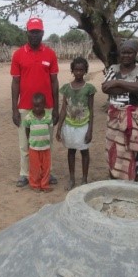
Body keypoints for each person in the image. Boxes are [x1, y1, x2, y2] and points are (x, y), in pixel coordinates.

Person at [11, 17, 59, 188]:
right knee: (25, 143)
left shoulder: (50, 54)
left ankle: (47, 172)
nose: (35, 35)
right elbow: (15, 82)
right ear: (27, 33)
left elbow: (54, 81)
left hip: (47, 108)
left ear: (42, 33)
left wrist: (56, 108)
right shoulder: (18, 54)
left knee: (47, 142)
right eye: (32, 32)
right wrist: (15, 110)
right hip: (25, 107)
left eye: (38, 32)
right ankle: (25, 174)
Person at [101, 39, 138, 182]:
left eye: (130, 53)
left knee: (134, 152)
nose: (126, 56)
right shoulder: (113, 69)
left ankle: (133, 181)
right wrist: (131, 86)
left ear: (135, 54)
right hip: (115, 118)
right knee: (115, 150)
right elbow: (105, 88)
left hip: (136, 118)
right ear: (119, 54)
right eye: (123, 52)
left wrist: (117, 83)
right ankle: (115, 179)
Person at [56, 57, 96, 190]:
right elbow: (63, 109)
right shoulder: (66, 88)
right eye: (76, 70)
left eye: (81, 70)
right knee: (71, 151)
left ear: (85, 71)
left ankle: (84, 179)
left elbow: (91, 109)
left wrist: (90, 129)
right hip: (70, 125)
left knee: (84, 152)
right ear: (72, 71)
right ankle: (72, 178)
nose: (79, 73)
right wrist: (59, 127)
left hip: (83, 125)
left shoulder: (89, 89)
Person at [23, 93, 53, 192]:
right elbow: (27, 130)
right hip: (34, 148)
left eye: (38, 106)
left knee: (46, 167)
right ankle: (34, 185)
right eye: (34, 106)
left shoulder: (48, 117)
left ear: (44, 105)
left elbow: (50, 129)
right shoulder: (29, 117)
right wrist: (29, 141)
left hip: (46, 147)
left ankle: (44, 185)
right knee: (35, 168)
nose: (36, 108)